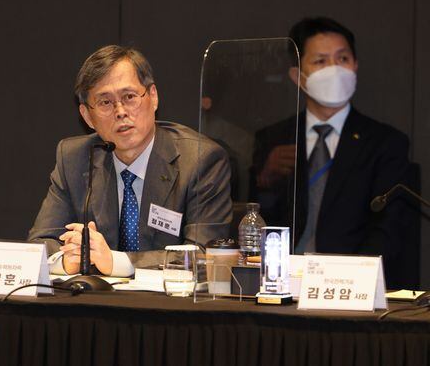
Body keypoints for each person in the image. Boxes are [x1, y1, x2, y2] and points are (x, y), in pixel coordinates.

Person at [28, 45, 232, 277]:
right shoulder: (74, 158)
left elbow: (204, 256)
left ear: (153, 97)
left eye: (129, 97)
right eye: (105, 102)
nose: (120, 111)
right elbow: (39, 245)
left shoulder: (200, 160)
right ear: (87, 116)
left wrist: (115, 262)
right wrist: (66, 260)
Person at [251, 17, 411, 286]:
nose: (334, 70)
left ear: (355, 65)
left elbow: (389, 229)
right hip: (283, 281)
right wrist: (266, 179)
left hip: (351, 285)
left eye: (342, 59)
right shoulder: (273, 139)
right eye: (320, 61)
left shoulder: (385, 143)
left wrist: (350, 279)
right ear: (298, 77)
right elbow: (255, 218)